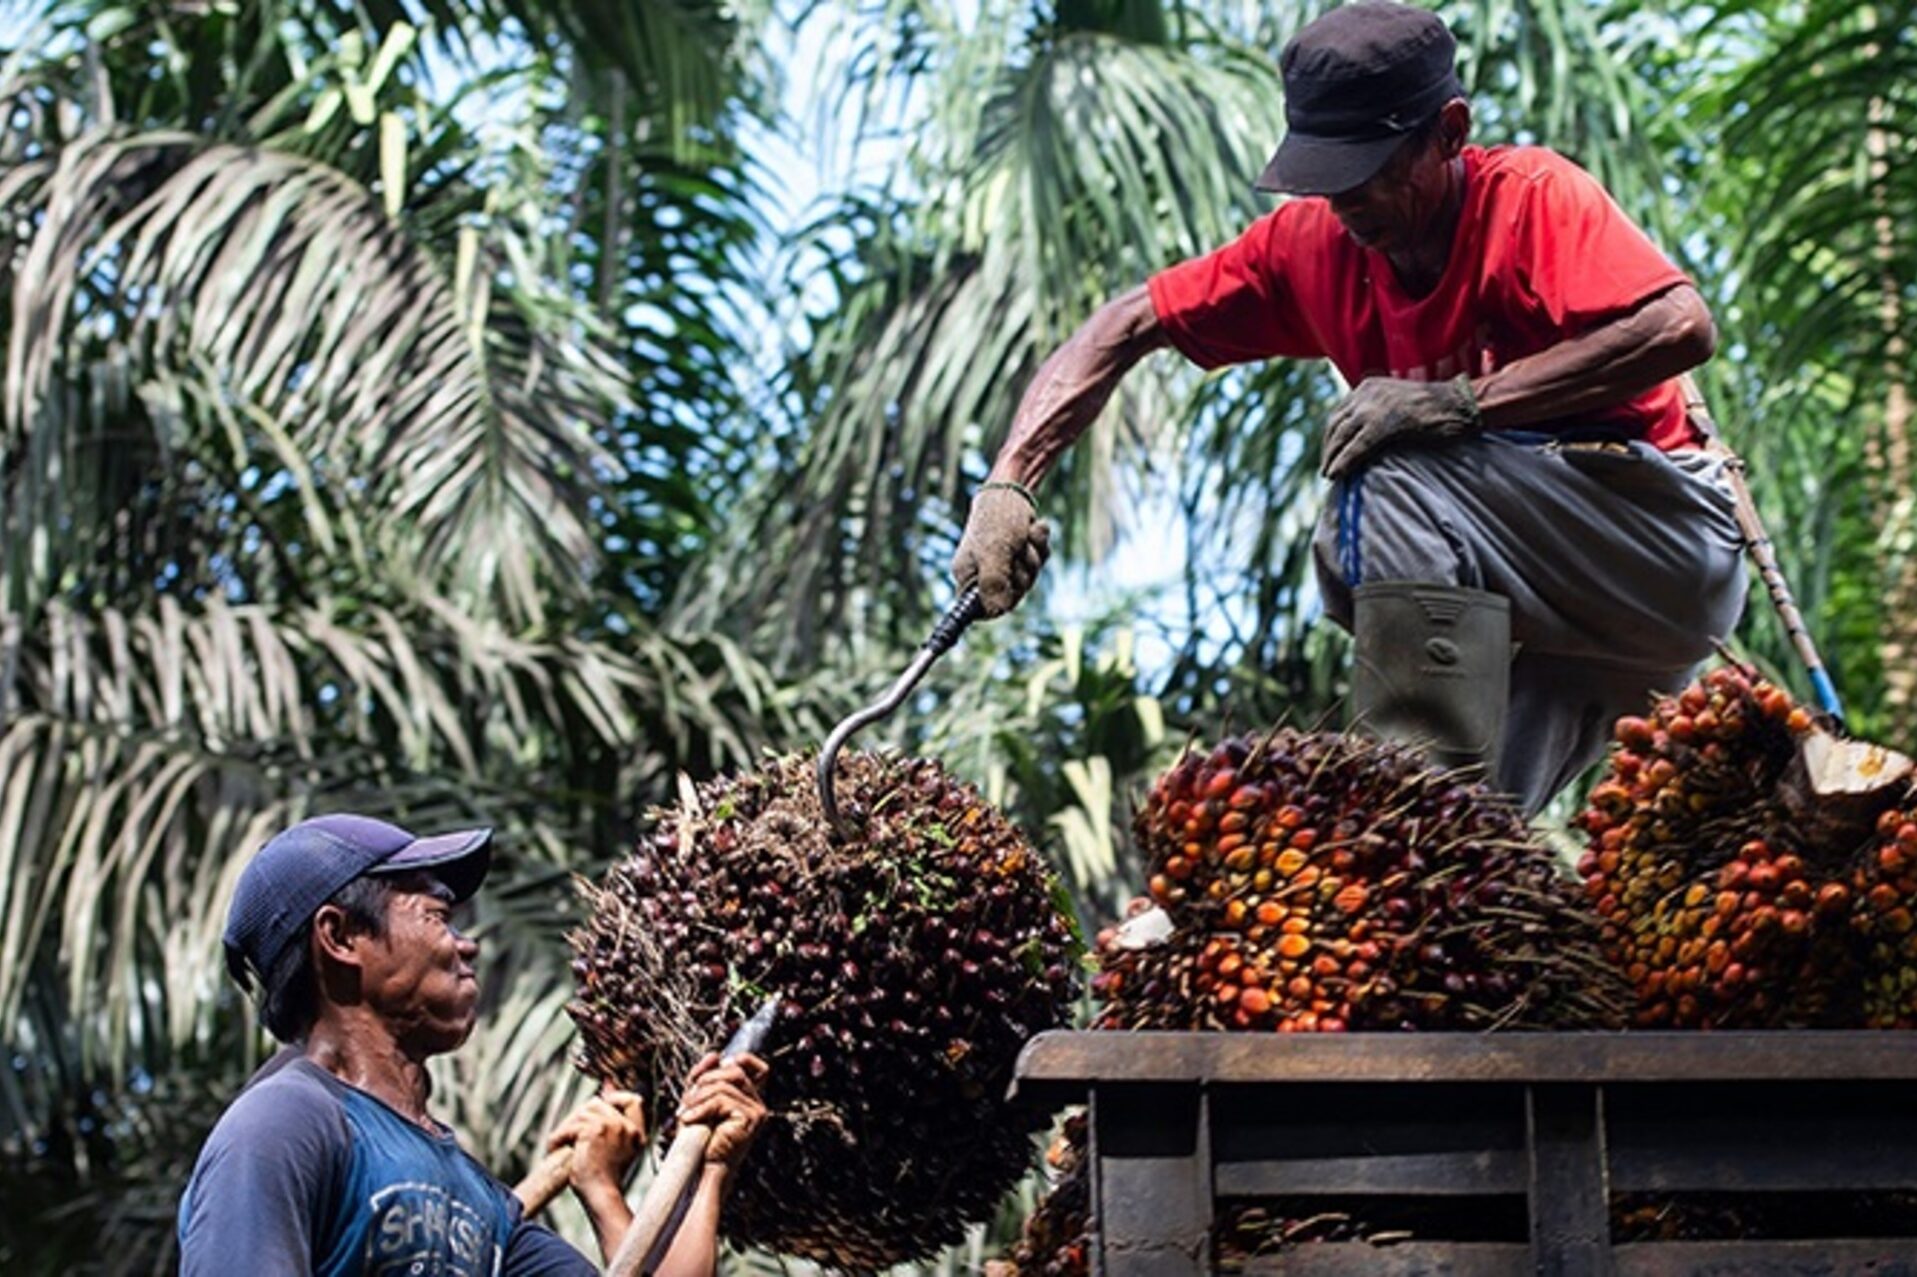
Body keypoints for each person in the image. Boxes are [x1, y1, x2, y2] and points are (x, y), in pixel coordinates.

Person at [951, 0, 1746, 813]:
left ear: (1448, 130)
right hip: (1570, 626)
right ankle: (1420, 832)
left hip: (1659, 543)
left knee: (1384, 473)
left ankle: (1406, 773)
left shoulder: (1530, 198)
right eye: (1325, 175)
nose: (1346, 200)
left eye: (1369, 168)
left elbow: (1678, 325)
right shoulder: (1311, 248)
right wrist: (1008, 484)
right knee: (1443, 858)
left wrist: (1461, 402)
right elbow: (1126, 324)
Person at [178, 813, 768, 1276]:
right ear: (340, 936)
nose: (467, 946)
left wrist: (695, 1168)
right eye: (437, 916)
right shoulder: (286, 1126)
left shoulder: (477, 1199)